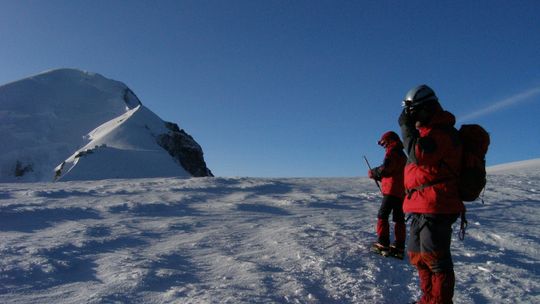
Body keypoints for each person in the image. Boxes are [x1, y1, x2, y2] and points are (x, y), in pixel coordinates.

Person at [399, 85, 464, 304]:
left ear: (426, 108)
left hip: (437, 204)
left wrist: (406, 129)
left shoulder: (442, 132)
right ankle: (429, 299)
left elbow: (419, 155)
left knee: (436, 261)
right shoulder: (426, 133)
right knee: (419, 257)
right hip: (420, 204)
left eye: (413, 111)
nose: (411, 117)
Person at [368, 131, 407, 258]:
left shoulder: (392, 152)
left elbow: (386, 169)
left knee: (382, 215)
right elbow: (394, 173)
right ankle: (399, 246)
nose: (383, 146)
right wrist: (380, 177)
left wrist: (374, 172)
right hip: (401, 191)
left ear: (389, 141)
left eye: (384, 143)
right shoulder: (403, 155)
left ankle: (383, 243)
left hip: (391, 191)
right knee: (399, 218)